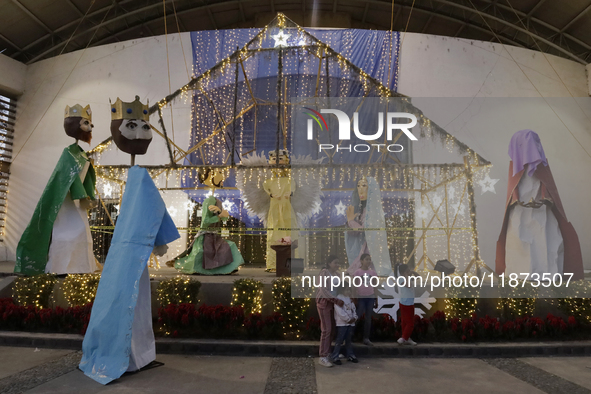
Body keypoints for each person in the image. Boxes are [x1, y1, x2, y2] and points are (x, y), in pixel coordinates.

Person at [168, 168, 244, 275]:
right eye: (220, 173)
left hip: (214, 237)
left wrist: (223, 216)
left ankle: (225, 268)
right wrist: (220, 216)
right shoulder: (208, 201)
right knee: (226, 247)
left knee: (230, 246)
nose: (223, 176)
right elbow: (205, 222)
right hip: (206, 238)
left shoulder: (216, 201)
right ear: (210, 177)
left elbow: (223, 219)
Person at [345, 177, 392, 276]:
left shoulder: (373, 210)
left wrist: (351, 222)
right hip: (364, 247)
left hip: (371, 248)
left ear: (371, 189)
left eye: (364, 185)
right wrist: (350, 223)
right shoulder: (363, 209)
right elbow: (356, 232)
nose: (360, 189)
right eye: (358, 186)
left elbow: (366, 230)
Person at [316, 255, 344, 368]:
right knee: (326, 330)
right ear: (329, 263)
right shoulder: (324, 273)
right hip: (324, 304)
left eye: (338, 263)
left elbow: (339, 289)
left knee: (332, 329)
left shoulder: (337, 274)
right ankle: (322, 356)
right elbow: (324, 290)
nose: (337, 265)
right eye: (335, 263)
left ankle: (329, 353)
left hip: (334, 305)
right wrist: (335, 300)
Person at [329, 285, 358, 365]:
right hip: (342, 323)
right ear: (342, 290)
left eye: (349, 290)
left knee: (348, 340)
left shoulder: (349, 299)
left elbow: (353, 308)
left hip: (350, 323)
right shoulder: (338, 299)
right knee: (339, 340)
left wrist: (354, 317)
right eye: (346, 290)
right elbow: (340, 312)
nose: (348, 292)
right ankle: (335, 356)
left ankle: (350, 355)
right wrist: (348, 319)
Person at [353, 253, 378, 346]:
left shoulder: (373, 273)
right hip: (361, 297)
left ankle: (366, 338)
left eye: (369, 259)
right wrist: (354, 297)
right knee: (357, 316)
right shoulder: (357, 273)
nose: (368, 261)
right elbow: (354, 286)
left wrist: (376, 298)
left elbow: (375, 286)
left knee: (368, 318)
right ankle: (350, 336)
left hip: (370, 297)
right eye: (366, 259)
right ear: (361, 261)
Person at [397, 264, 417, 346]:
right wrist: (407, 276)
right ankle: (404, 338)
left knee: (405, 322)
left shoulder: (406, 277)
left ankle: (406, 338)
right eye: (407, 271)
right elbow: (408, 285)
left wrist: (413, 272)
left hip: (409, 302)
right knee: (410, 323)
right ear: (403, 272)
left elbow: (418, 277)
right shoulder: (401, 278)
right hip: (406, 303)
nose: (409, 272)